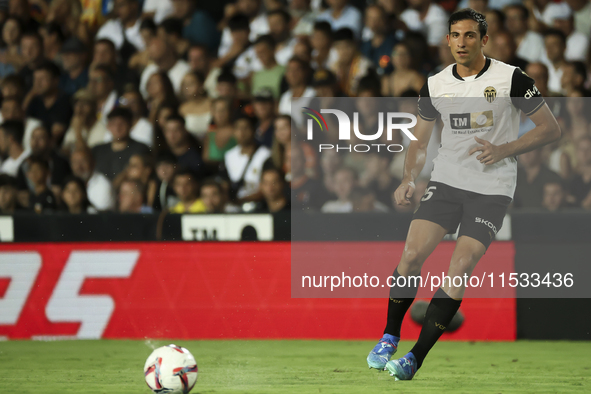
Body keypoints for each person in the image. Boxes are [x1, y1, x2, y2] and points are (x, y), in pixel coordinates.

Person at [366, 9, 561, 380]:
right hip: (447, 182)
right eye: (455, 35)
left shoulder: (511, 79)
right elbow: (419, 142)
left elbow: (551, 130)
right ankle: (390, 335)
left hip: (492, 189)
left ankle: (414, 358)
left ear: (484, 40)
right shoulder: (436, 84)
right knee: (410, 256)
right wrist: (409, 177)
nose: (461, 42)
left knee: (459, 267)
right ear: (447, 39)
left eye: (470, 36)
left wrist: (505, 149)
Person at [92, 107, 151, 181]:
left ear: (130, 125)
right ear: (108, 126)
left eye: (122, 124)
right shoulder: (97, 150)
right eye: (113, 124)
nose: (117, 128)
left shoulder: (141, 149)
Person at [25, 61, 73, 145]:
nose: (37, 83)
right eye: (35, 79)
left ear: (55, 81)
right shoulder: (34, 101)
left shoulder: (66, 101)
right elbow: (21, 119)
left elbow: (57, 133)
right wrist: (30, 95)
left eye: (42, 79)